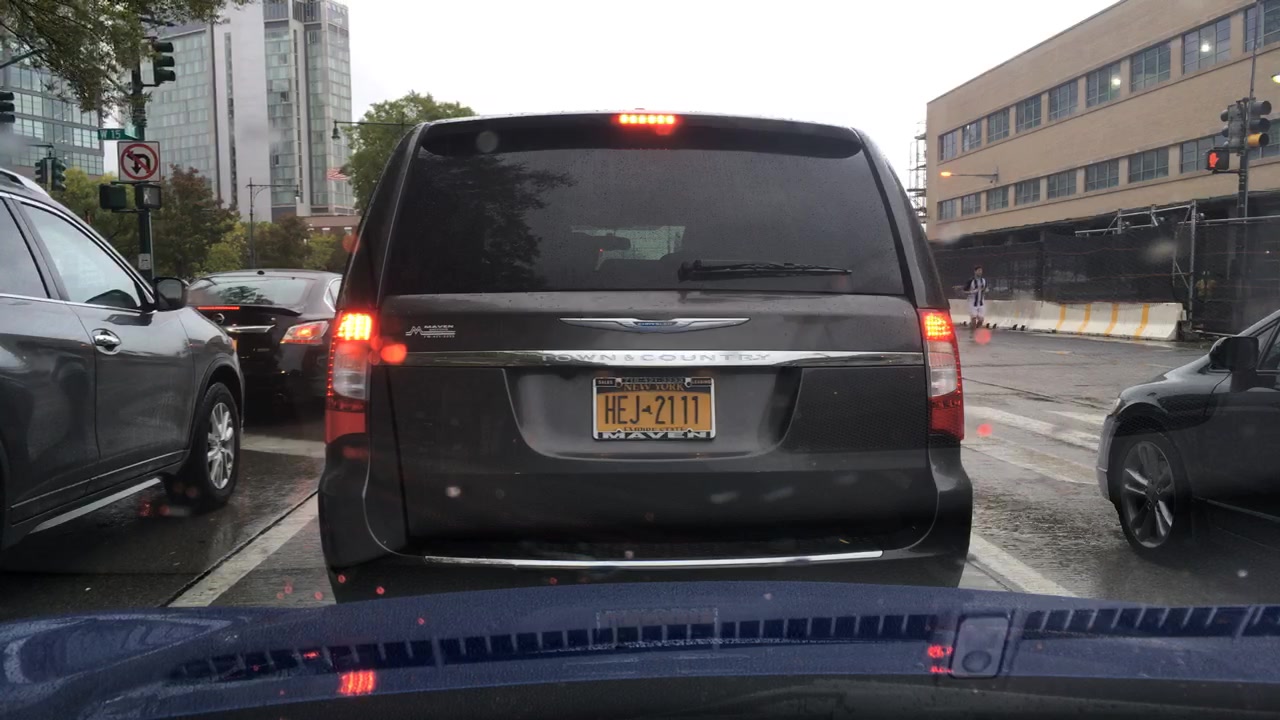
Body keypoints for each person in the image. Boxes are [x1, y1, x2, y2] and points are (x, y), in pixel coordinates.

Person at [964, 265, 987, 338]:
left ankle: (976, 330)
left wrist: (985, 291)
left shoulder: (984, 280)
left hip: (981, 302)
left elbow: (985, 289)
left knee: (981, 320)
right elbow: (964, 291)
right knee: (973, 319)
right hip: (972, 302)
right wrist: (972, 292)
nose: (980, 272)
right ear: (975, 271)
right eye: (978, 270)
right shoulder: (971, 281)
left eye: (981, 271)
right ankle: (973, 334)